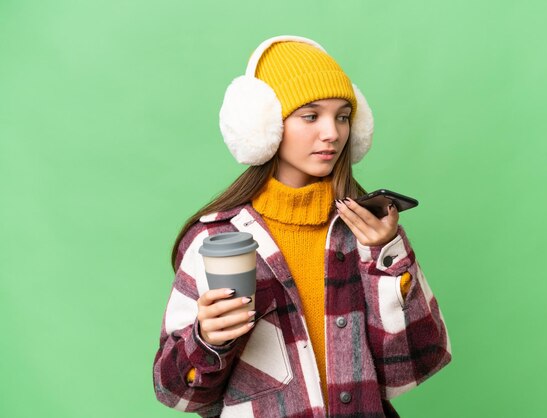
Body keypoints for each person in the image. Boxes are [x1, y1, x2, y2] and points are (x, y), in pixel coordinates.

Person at [153, 35, 451, 418]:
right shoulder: (215, 239)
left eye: (343, 116)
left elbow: (413, 367)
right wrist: (206, 340)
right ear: (264, 127)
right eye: (310, 116)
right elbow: (177, 394)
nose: (332, 133)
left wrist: (387, 259)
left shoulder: (369, 231)